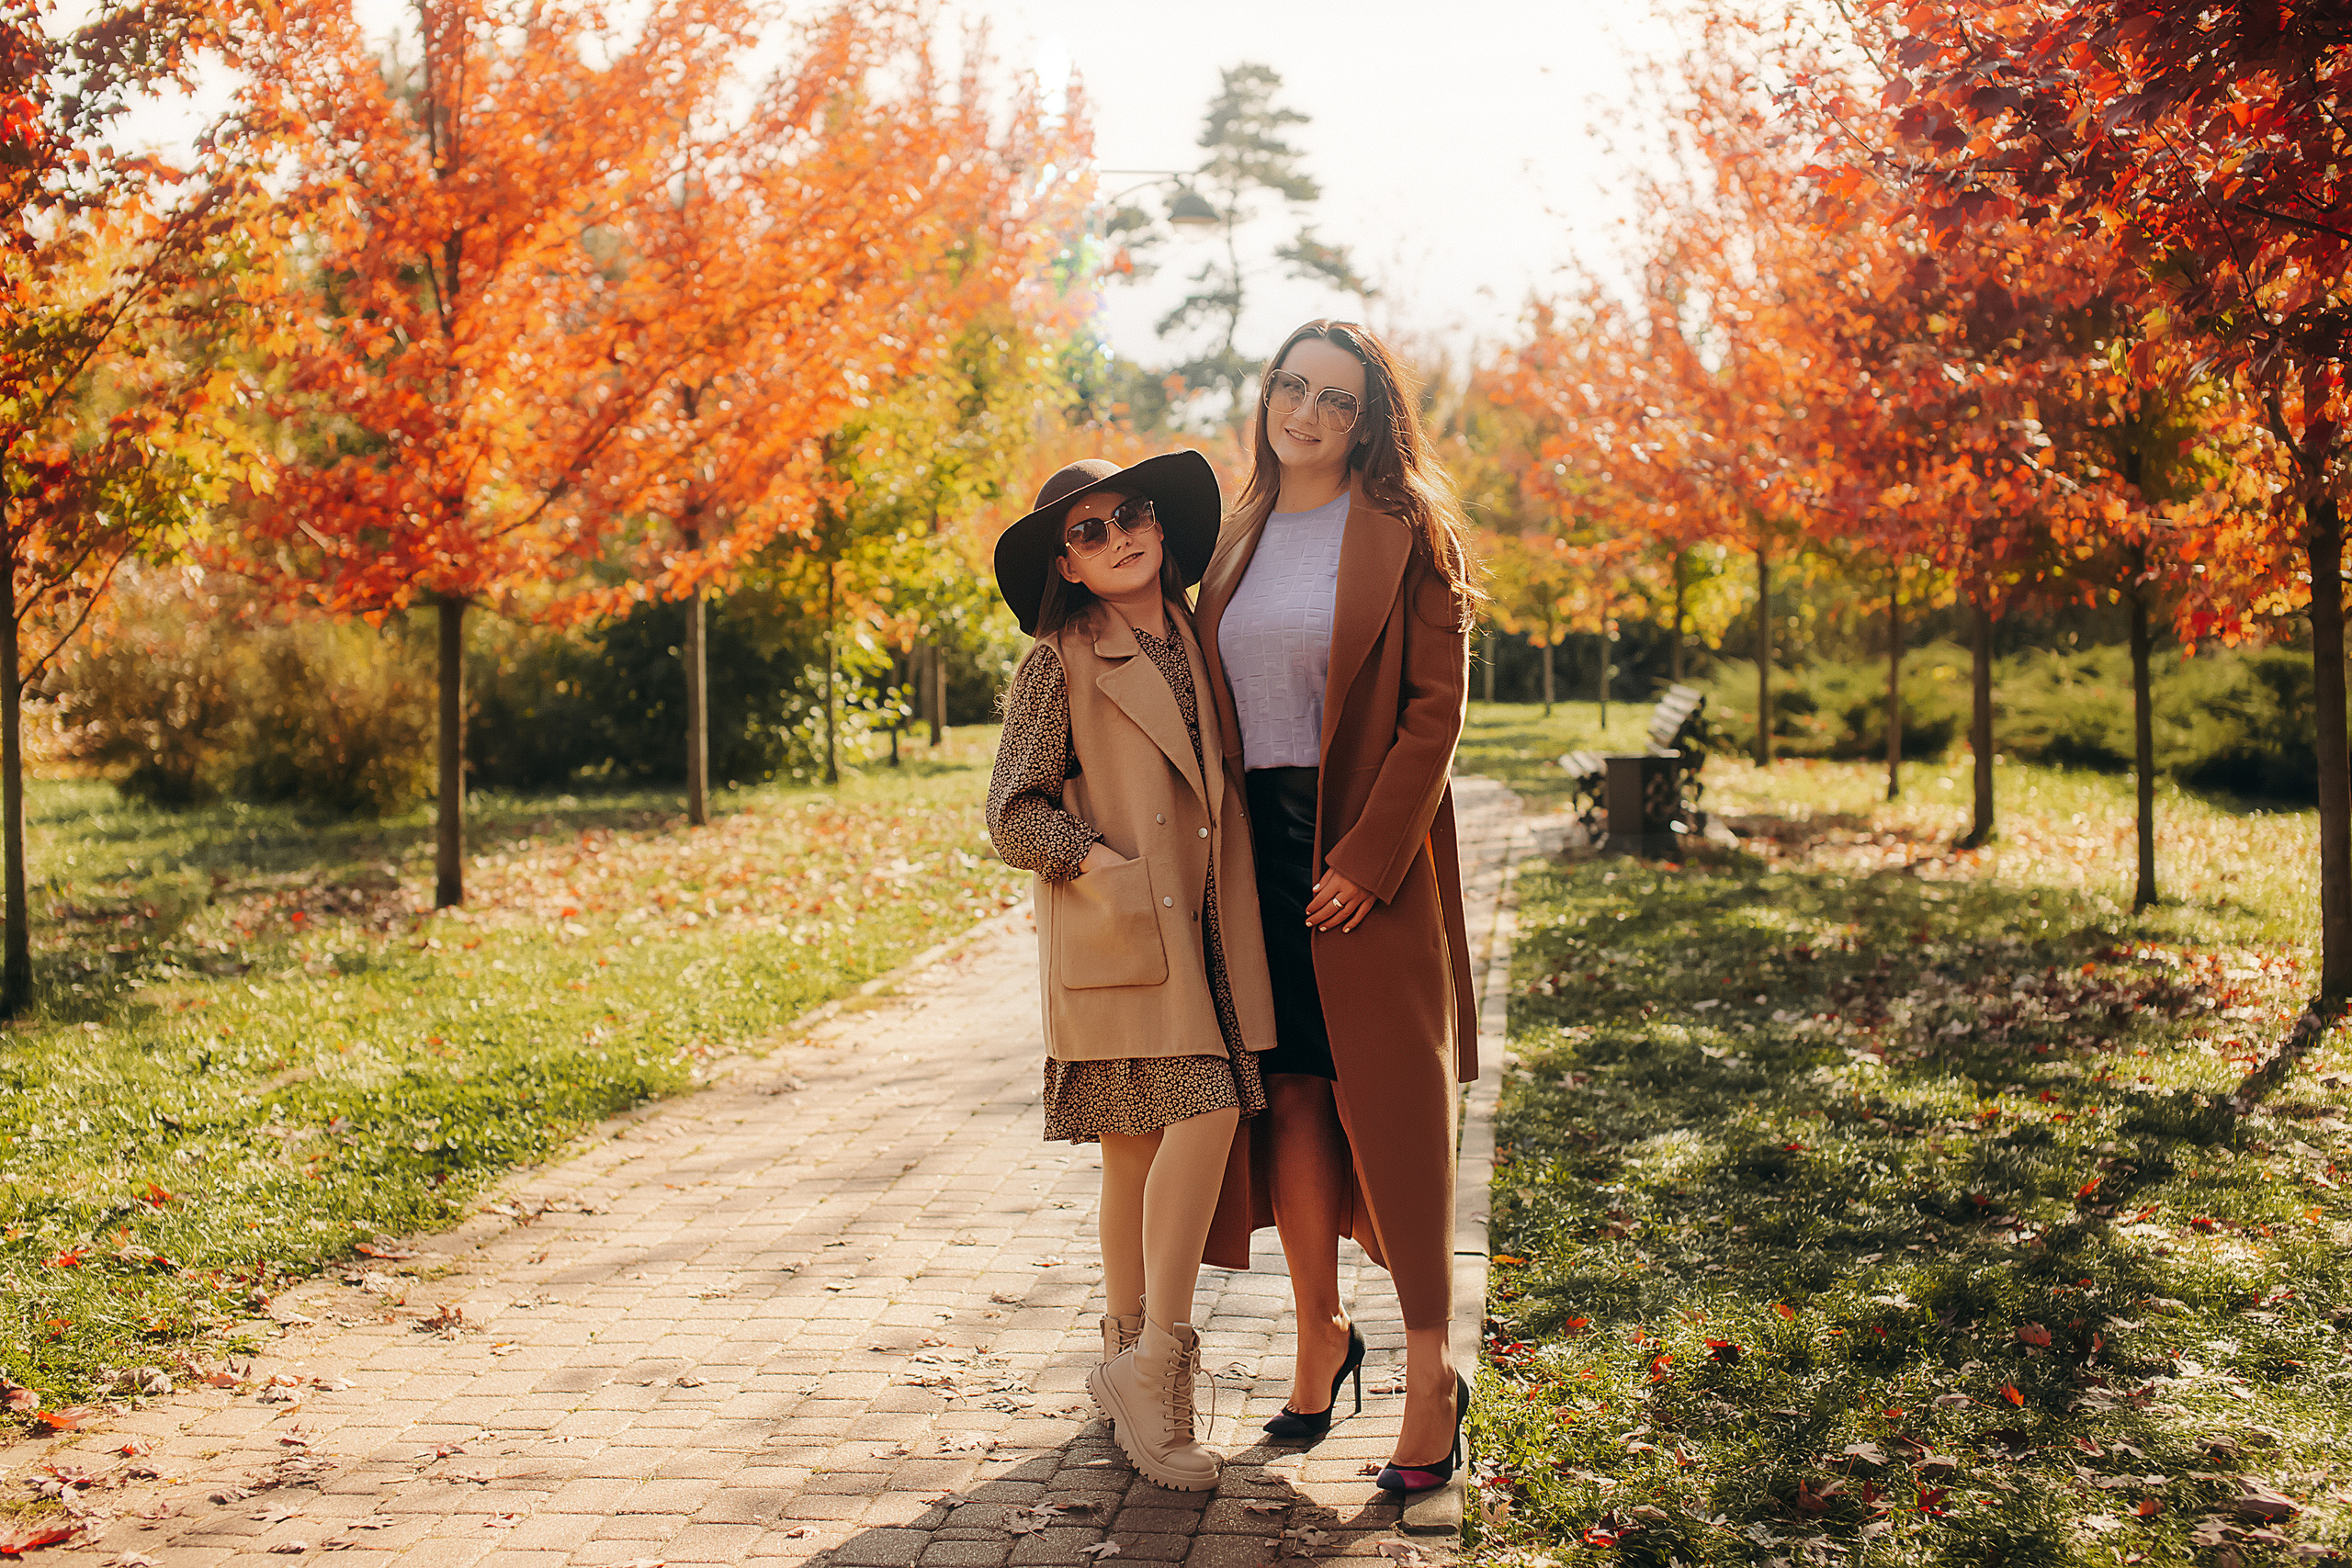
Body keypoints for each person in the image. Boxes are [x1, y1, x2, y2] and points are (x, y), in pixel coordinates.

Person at [1194, 321, 1481, 1495]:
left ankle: (1429, 1371)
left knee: (1392, 1109)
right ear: (1266, 395)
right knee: (1292, 1096)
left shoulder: (1406, 530)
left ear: (1370, 421)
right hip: (1250, 854)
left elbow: (1434, 711)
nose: (1305, 412)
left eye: (1336, 399)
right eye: (1290, 387)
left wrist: (1369, 857)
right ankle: (1319, 1336)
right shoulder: (1232, 536)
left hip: (1367, 857)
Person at [984, 451, 1279, 1494]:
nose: (1117, 537)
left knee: (1135, 1151)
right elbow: (1009, 816)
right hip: (1121, 927)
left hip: (1202, 926)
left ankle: (1120, 1360)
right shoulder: (1057, 662)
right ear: (1065, 565)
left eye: (1130, 514)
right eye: (1088, 532)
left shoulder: (1200, 634)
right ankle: (1159, 1374)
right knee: (1193, 1119)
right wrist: (1098, 862)